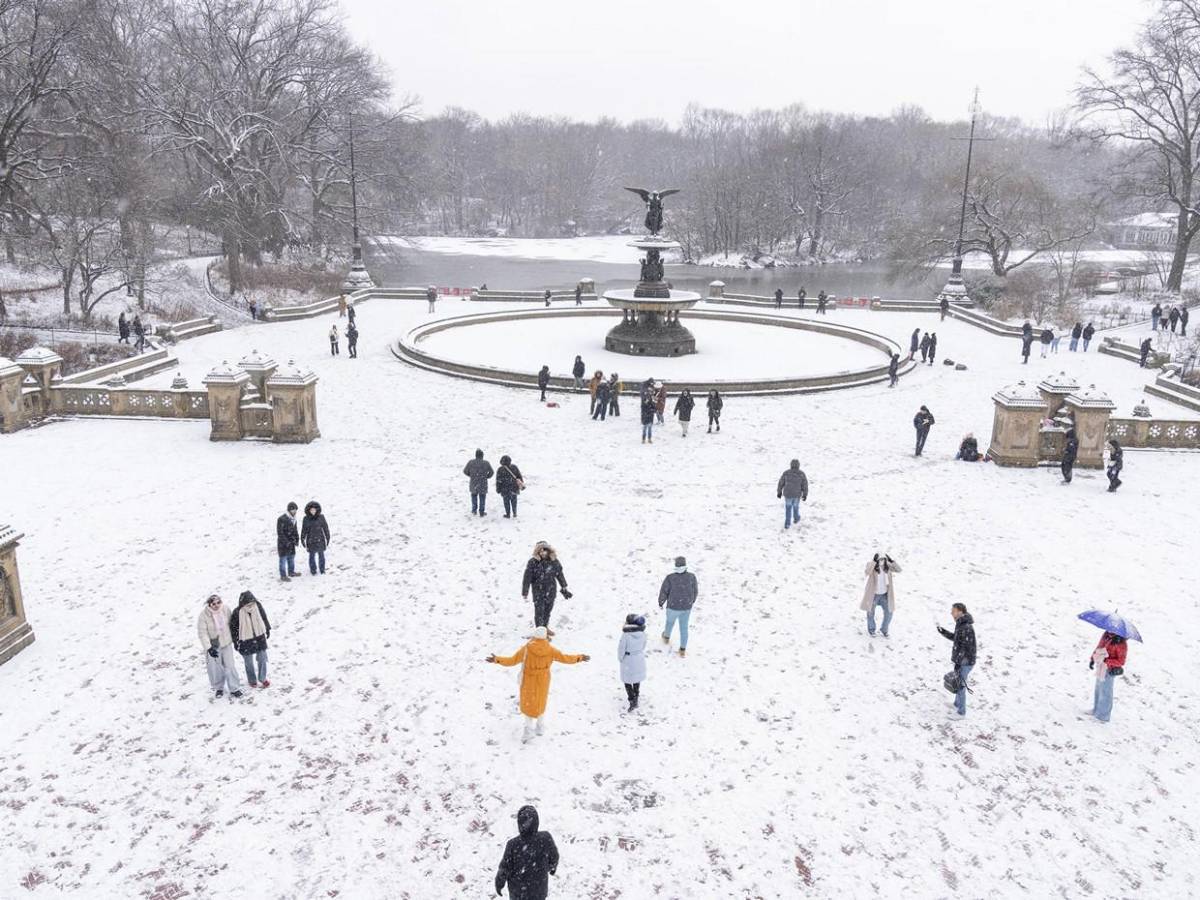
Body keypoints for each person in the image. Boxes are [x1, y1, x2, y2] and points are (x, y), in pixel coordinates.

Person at [487, 628, 589, 743]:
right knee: (540, 701)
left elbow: (512, 660)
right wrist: (579, 657)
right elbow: (565, 658)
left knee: (528, 703)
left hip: (528, 680)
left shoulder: (527, 649)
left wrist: (497, 659)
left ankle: (528, 731)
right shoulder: (550, 650)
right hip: (543, 680)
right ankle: (540, 727)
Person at [495, 805, 559, 898]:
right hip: (539, 891)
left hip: (518, 893)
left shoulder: (513, 844)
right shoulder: (545, 838)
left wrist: (499, 884)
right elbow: (554, 857)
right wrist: (551, 867)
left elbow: (504, 868)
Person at [197, 594, 243, 699]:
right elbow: (202, 633)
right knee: (215, 668)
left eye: (218, 602)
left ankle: (234, 688)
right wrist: (209, 648)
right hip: (214, 646)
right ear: (209, 604)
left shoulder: (225, 609)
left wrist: (236, 639)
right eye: (213, 604)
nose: (216, 605)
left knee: (230, 666)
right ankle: (219, 688)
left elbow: (232, 624)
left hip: (226, 643)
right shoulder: (203, 615)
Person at [937, 603, 977, 717]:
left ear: (960, 612)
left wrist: (960, 662)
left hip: (966, 662)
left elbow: (966, 648)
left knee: (960, 686)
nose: (951, 613)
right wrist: (943, 631)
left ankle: (961, 712)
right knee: (959, 683)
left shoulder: (966, 627)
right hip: (963, 661)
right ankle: (957, 704)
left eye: (953, 611)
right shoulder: (961, 623)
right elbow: (956, 639)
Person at [522, 542, 572, 629]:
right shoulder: (533, 562)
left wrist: (564, 587)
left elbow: (559, 574)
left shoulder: (554, 561)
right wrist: (525, 591)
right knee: (539, 612)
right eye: (540, 550)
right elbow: (527, 578)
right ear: (537, 552)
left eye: (544, 550)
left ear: (548, 550)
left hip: (551, 590)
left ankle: (545, 628)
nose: (542, 552)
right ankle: (539, 631)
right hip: (538, 591)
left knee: (548, 611)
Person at [230, 590, 271, 688]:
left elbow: (263, 617)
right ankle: (252, 680)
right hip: (245, 640)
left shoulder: (258, 606)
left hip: (259, 636)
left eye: (252, 602)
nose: (250, 604)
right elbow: (233, 628)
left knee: (262, 658)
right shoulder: (237, 612)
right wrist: (235, 642)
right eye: (248, 603)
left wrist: (267, 628)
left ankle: (262, 678)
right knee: (248, 662)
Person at [658, 556, 697, 657]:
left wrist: (661, 602)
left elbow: (664, 591)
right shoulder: (692, 577)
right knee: (684, 628)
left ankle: (666, 637)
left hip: (673, 606)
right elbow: (695, 591)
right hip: (686, 607)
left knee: (669, 622)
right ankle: (682, 649)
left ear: (675, 565)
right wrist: (691, 601)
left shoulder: (670, 578)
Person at [1090, 630, 1127, 723]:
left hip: (1110, 670)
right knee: (1098, 689)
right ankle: (1096, 710)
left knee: (1106, 692)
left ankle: (1103, 716)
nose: (1110, 630)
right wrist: (1092, 659)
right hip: (1101, 666)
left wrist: (1107, 660)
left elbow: (1121, 661)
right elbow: (1099, 647)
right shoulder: (1106, 635)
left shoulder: (1121, 643)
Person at [861, 552, 901, 638]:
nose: (882, 561)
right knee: (870, 613)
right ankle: (872, 630)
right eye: (880, 559)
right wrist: (874, 562)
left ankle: (884, 630)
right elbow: (867, 572)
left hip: (885, 595)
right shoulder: (872, 566)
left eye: (884, 559)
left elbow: (899, 570)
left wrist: (892, 561)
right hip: (874, 595)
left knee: (889, 613)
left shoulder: (888, 567)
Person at [617, 614, 647, 712]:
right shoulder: (643, 634)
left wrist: (620, 658)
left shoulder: (625, 635)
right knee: (636, 679)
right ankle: (636, 697)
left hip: (628, 660)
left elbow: (621, 649)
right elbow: (643, 646)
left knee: (627, 681)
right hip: (639, 658)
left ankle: (631, 699)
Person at [776, 459, 809, 530]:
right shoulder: (801, 474)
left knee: (788, 508)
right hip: (797, 495)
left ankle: (787, 524)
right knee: (795, 507)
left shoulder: (786, 473)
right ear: (798, 465)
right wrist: (805, 494)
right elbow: (805, 485)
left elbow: (781, 483)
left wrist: (779, 492)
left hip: (788, 494)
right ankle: (796, 518)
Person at [300, 500, 330, 574]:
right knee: (311, 556)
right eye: (311, 510)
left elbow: (325, 528)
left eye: (314, 510)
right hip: (311, 541)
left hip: (320, 540)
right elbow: (304, 530)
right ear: (309, 510)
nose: (313, 511)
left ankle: (322, 570)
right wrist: (302, 539)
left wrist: (328, 537)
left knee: (321, 556)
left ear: (317, 510)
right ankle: (313, 570)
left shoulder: (321, 517)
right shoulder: (306, 519)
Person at [464, 449, 494, 516]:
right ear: (482, 455)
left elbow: (465, 471)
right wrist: (487, 476)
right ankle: (481, 511)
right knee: (482, 497)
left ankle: (474, 510)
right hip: (483, 483)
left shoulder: (470, 462)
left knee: (474, 496)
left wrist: (471, 475)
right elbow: (492, 472)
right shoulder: (486, 463)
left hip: (473, 483)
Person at [276, 501, 300, 581]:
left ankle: (291, 572)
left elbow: (295, 530)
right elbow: (280, 533)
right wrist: (286, 542)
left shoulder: (294, 519)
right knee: (283, 560)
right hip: (283, 544)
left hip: (291, 542)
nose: (294, 511)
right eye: (293, 510)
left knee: (291, 558)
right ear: (289, 510)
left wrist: (297, 539)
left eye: (295, 509)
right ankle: (283, 576)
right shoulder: (281, 519)